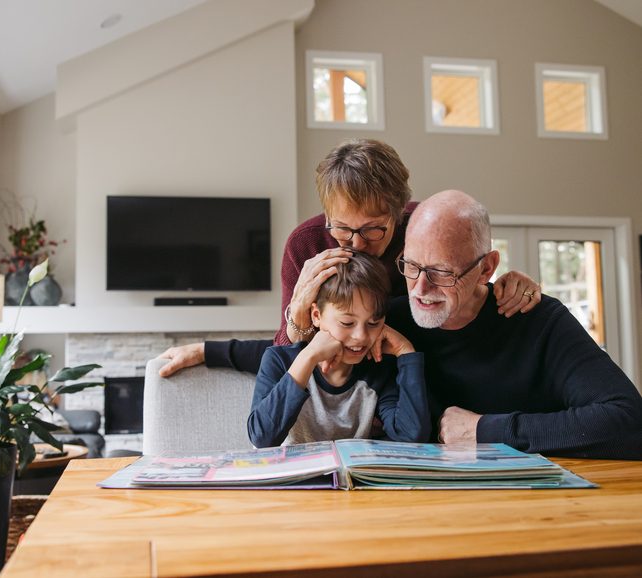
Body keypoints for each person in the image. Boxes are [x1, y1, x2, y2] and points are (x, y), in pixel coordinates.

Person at [158, 139, 540, 376]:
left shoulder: (424, 226)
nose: (355, 244)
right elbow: (283, 355)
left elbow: (465, 291)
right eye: (341, 228)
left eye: (373, 229)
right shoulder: (305, 245)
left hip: (418, 375)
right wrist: (299, 311)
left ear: (399, 213)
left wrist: (506, 282)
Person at [372, 189, 642, 459]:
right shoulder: (387, 325)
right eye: (411, 265)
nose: (419, 288)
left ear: (487, 268)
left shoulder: (538, 319)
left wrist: (486, 430)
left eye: (441, 272)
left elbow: (629, 420)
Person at [248, 251, 429, 448]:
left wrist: (406, 352)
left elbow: (411, 438)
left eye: (373, 323)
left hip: (350, 478)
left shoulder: (378, 369)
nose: (361, 336)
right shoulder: (279, 360)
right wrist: (307, 358)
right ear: (316, 315)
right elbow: (261, 437)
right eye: (347, 322)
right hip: (294, 478)